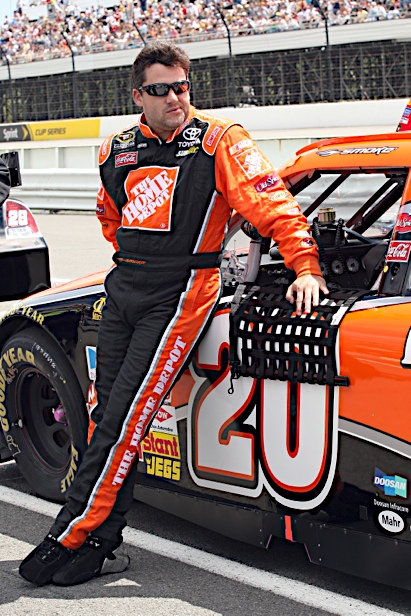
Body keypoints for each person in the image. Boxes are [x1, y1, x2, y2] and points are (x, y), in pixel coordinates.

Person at [19, 39, 328, 588]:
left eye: (181, 87)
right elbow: (111, 220)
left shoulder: (220, 140)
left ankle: (72, 534)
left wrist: (305, 266)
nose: (174, 98)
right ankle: (101, 540)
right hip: (124, 288)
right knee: (104, 415)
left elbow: (274, 205)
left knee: (125, 418)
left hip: (183, 290)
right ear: (138, 95)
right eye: (160, 89)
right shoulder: (116, 150)